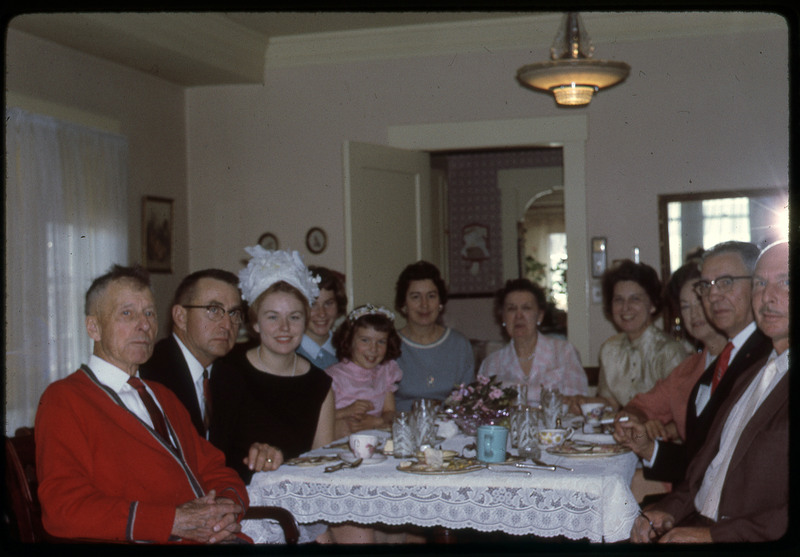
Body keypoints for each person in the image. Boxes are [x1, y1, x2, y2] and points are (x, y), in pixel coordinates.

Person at [35, 265, 249, 544]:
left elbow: (214, 468)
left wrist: (225, 507)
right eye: (127, 313)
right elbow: (63, 508)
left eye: (149, 313)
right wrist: (173, 521)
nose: (144, 325)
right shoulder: (65, 399)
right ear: (94, 327)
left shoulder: (162, 395)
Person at [630, 240, 788, 543]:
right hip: (697, 519)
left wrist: (712, 536)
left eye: (787, 282)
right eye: (760, 283)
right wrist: (669, 509)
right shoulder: (754, 374)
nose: (768, 296)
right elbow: (709, 467)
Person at [615, 242, 772, 483]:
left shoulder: (770, 356)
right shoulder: (701, 368)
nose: (713, 296)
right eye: (706, 287)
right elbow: (702, 460)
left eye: (726, 282)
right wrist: (647, 443)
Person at [210, 247, 335, 484]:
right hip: (238, 498)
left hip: (298, 500)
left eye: (294, 317)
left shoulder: (320, 385)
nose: (284, 328)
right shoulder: (227, 370)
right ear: (255, 323)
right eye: (272, 317)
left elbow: (322, 465)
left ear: (305, 321)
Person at [140, 269, 284, 473]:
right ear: (180, 316)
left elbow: (237, 451)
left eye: (233, 313)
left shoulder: (230, 378)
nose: (227, 325)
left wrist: (261, 452)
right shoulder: (150, 373)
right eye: (214, 310)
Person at [614, 261, 727, 452]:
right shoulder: (688, 370)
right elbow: (639, 406)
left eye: (700, 302)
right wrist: (636, 418)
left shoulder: (746, 361)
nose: (694, 314)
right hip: (690, 473)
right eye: (685, 307)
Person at [593, 260, 688, 409]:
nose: (625, 308)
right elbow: (610, 404)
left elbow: (678, 410)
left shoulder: (670, 351)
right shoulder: (609, 349)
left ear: (652, 305)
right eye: (619, 300)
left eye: (635, 299)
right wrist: (581, 402)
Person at [478, 278, 587, 406]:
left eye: (526, 308)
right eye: (511, 309)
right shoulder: (491, 364)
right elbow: (483, 410)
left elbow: (577, 404)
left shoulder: (564, 353)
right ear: (503, 317)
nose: (519, 316)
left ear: (539, 316)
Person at [393, 261, 474, 412]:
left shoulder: (459, 344)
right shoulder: (389, 344)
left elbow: (469, 402)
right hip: (401, 429)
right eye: (416, 297)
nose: (424, 305)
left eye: (431, 296)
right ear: (404, 304)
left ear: (440, 302)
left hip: (451, 430)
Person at [326, 304, 403, 438]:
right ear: (349, 340)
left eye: (381, 342)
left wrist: (377, 421)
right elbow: (318, 418)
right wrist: (346, 411)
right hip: (342, 441)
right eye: (365, 340)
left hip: (377, 439)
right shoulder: (333, 376)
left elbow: (390, 411)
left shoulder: (386, 371)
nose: (373, 349)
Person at [297, 266, 347, 370]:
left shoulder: (349, 349)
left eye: (328, 303)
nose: (322, 313)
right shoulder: (288, 354)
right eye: (313, 304)